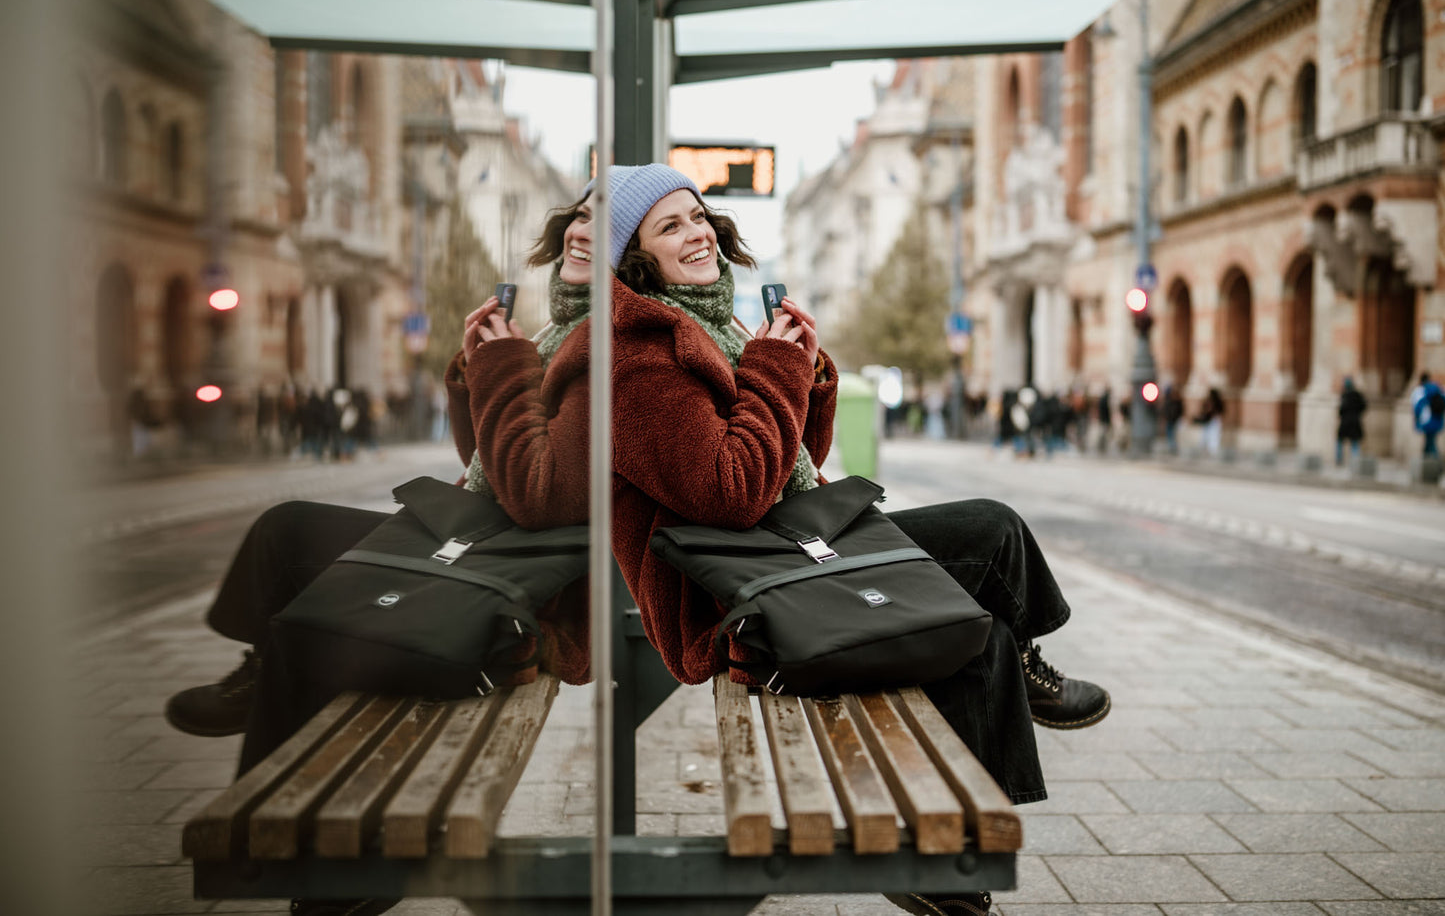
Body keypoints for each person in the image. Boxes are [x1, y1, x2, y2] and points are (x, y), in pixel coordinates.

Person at [603, 163, 1109, 916]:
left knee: (990, 550)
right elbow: (729, 492)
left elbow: (789, 458)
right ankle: (937, 854)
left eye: (698, 215)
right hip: (735, 590)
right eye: (668, 225)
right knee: (978, 611)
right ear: (635, 257)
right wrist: (775, 370)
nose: (696, 233)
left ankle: (947, 840)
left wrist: (809, 376)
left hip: (786, 545)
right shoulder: (635, 360)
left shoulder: (716, 321)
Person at [163, 193, 597, 916]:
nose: (583, 228)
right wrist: (473, 373)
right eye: (580, 213)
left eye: (607, 219)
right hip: (489, 538)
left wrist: (504, 370)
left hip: (524, 580)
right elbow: (489, 464)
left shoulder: (605, 347)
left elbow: (539, 497)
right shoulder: (565, 332)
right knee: (287, 529)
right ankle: (260, 676)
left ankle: (309, 856)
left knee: (308, 629)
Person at [1410, 371, 1443, 460]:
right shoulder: (1437, 388)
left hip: (1426, 420)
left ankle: (1436, 464)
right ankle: (1428, 462)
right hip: (1437, 419)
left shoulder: (1421, 390)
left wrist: (1417, 419)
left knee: (1430, 442)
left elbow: (1417, 406)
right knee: (1430, 441)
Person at [1336, 377, 1367, 466]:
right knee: (1355, 442)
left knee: (1340, 441)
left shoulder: (1344, 395)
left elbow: (1341, 410)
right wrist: (1358, 413)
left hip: (1345, 422)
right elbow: (1364, 406)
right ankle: (1355, 461)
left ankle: (1339, 460)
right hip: (1355, 421)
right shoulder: (1358, 395)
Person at [1194, 387, 1225, 456]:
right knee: (1205, 434)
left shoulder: (1217, 402)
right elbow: (1203, 410)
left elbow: (1220, 410)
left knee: (1214, 435)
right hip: (1207, 420)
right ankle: (1204, 448)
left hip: (1214, 420)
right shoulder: (1208, 401)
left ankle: (1213, 450)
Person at [1162, 384, 1185, 454]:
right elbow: (1166, 410)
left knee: (1174, 433)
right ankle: (1171, 447)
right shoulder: (1169, 400)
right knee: (1169, 433)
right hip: (1170, 419)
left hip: (1175, 420)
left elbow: (1179, 410)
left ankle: (1174, 447)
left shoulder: (1177, 401)